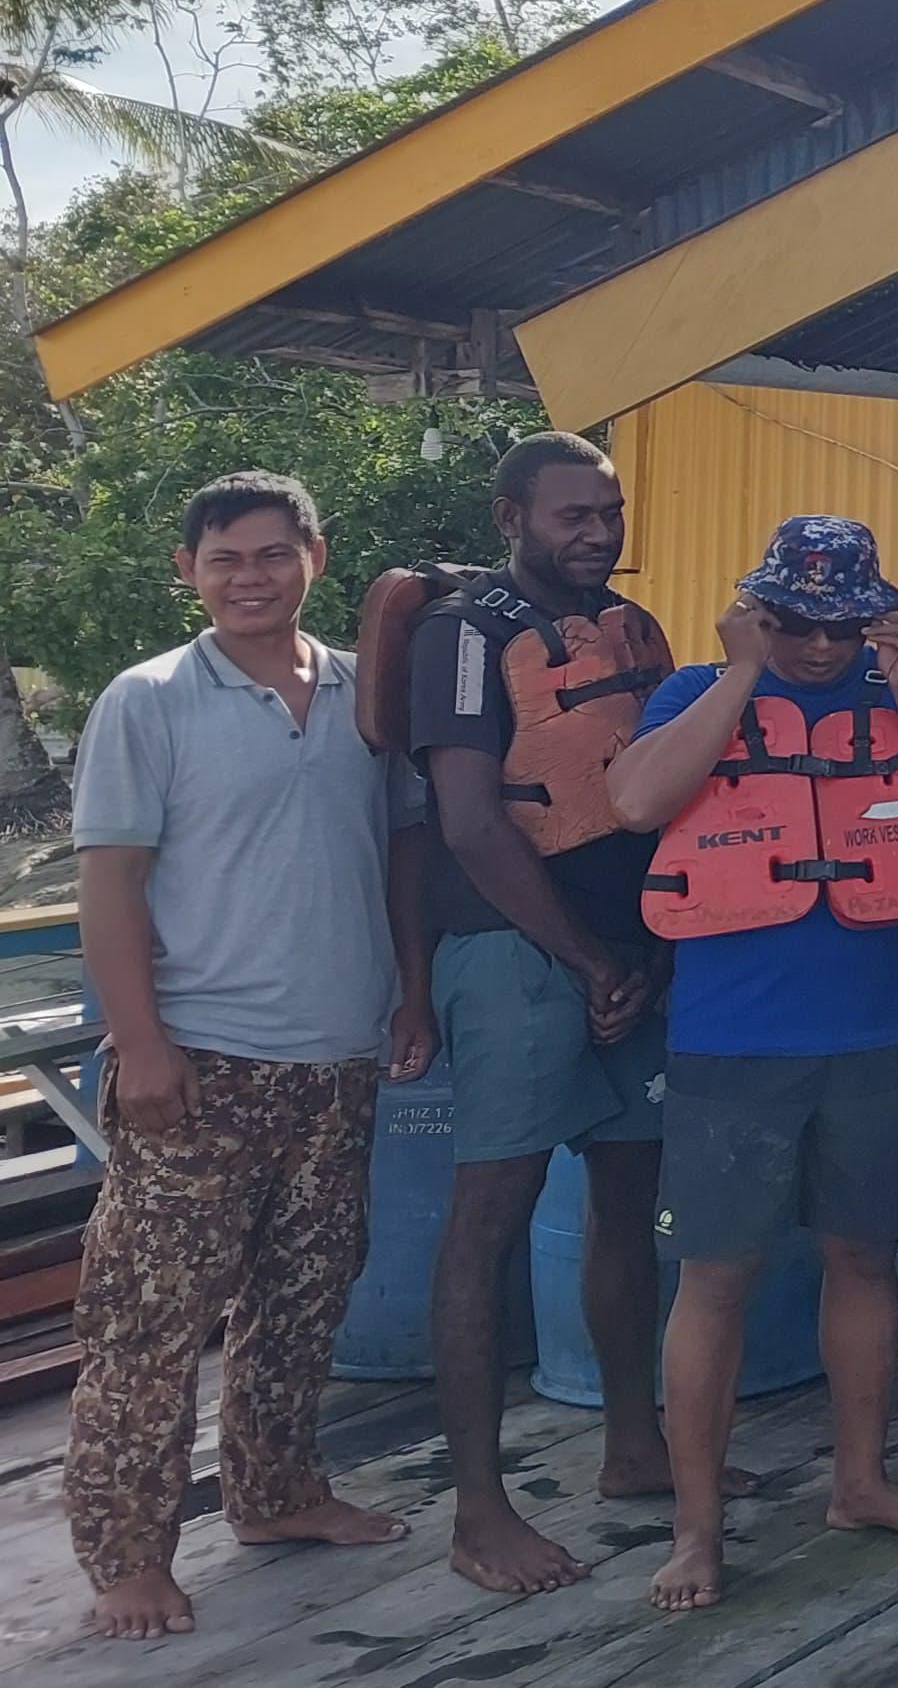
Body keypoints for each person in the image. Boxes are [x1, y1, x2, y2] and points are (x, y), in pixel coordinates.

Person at [66, 472, 433, 1641]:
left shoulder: (362, 698)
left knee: (302, 1300)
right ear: (189, 569)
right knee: (149, 1322)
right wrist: (143, 1045)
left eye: (273, 553)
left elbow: (398, 855)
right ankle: (128, 1554)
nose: (249, 576)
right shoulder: (150, 699)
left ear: (314, 559)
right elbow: (110, 882)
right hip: (201, 1058)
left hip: (336, 1059)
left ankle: (278, 1494)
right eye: (224, 557)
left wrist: (408, 994)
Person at [608, 515, 898, 1612]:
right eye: (795, 621)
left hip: (874, 1030)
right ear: (758, 608)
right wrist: (741, 667)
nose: (820, 646)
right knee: (716, 1275)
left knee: (864, 1256)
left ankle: (862, 1479)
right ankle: (694, 1529)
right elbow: (635, 801)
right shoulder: (694, 688)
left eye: (840, 623)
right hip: (733, 1042)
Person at [397, 432, 702, 1597]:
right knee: (490, 1218)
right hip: (518, 956)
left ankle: (634, 1441)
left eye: (610, 511)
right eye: (573, 513)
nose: (598, 530)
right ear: (510, 516)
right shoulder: (463, 637)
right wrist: (582, 961)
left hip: (631, 955)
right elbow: (471, 821)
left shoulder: (636, 631)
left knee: (630, 1196)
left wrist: (651, 950)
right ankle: (480, 1509)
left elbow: (676, 785)